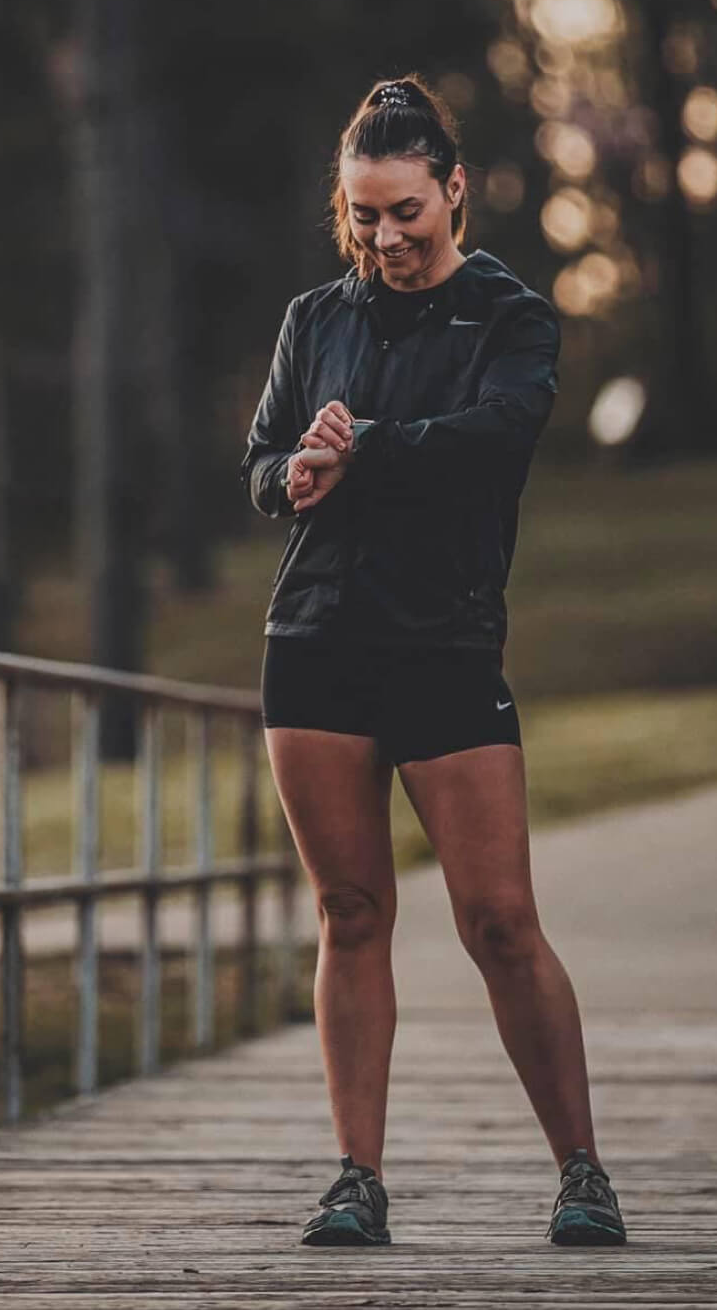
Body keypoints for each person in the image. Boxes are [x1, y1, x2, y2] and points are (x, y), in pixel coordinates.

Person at [239, 74, 626, 1249]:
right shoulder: (316, 319)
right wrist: (291, 479)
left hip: (446, 645)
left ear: (454, 191)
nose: (385, 236)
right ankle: (355, 1176)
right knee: (350, 912)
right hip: (313, 647)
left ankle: (582, 1172)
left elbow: (492, 444)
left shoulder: (510, 316)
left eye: (405, 210)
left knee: (499, 921)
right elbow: (261, 462)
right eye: (363, 215)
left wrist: (362, 450)